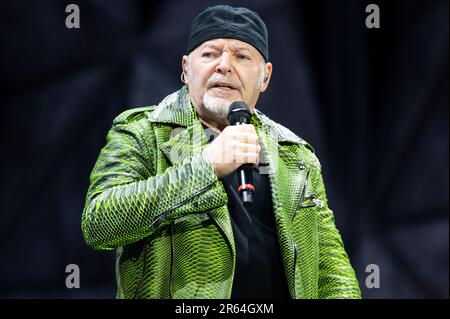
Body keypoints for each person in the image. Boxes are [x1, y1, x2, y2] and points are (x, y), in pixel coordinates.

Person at [82, 4, 361, 299]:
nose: (224, 65)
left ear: (265, 77)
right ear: (186, 69)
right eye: (210, 54)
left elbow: (330, 264)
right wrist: (207, 166)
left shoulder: (295, 154)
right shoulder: (142, 132)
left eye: (241, 56)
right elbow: (100, 223)